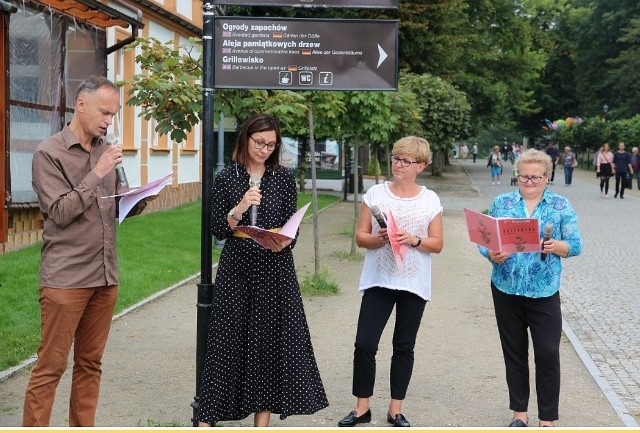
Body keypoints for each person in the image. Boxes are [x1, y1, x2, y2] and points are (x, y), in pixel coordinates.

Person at [24, 76, 151, 426]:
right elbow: (61, 212)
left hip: (105, 276)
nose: (109, 121)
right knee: (51, 366)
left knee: (90, 364)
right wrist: (97, 172)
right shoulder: (49, 153)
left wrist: (137, 200)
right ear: (81, 105)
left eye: (113, 114)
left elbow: (111, 207)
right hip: (66, 279)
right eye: (104, 113)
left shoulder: (104, 151)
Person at [196, 113, 328, 427]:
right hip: (237, 270)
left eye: (271, 144)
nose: (265, 149)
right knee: (225, 342)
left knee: (268, 346)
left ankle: (262, 424)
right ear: (245, 139)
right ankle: (206, 419)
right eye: (259, 142)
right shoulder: (228, 176)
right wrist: (240, 208)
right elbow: (217, 228)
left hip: (274, 270)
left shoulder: (283, 178)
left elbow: (290, 227)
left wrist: (285, 241)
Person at [338, 136, 443, 428]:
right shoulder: (375, 194)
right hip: (379, 279)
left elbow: (437, 244)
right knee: (364, 343)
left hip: (413, 282)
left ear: (420, 165)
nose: (398, 164)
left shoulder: (430, 199)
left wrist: (414, 239)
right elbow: (360, 237)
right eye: (396, 158)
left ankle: (395, 409)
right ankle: (362, 408)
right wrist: (378, 238)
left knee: (404, 346)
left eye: (406, 161)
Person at [478, 149, 582, 428]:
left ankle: (547, 417)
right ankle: (519, 413)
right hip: (506, 287)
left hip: (544, 291)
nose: (530, 181)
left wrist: (556, 246)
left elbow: (575, 245)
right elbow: (484, 238)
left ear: (547, 177)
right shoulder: (502, 202)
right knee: (514, 351)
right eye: (524, 176)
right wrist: (491, 253)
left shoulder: (561, 205)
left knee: (547, 353)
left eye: (536, 177)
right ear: (517, 176)